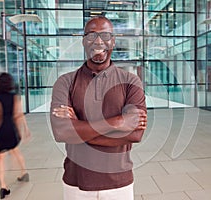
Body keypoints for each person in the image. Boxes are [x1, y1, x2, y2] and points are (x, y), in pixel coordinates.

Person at [50, 16, 147, 200]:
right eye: (92, 36)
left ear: (113, 41)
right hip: (76, 182)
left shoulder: (131, 82)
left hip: (120, 183)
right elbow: (62, 132)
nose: (98, 41)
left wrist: (79, 130)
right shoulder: (65, 82)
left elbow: (135, 134)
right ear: (84, 41)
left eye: (105, 35)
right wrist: (118, 122)